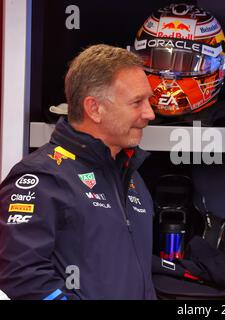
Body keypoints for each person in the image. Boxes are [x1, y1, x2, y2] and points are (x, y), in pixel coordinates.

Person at [0, 44, 157, 300]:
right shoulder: (41, 177)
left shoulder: (129, 175)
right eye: (137, 102)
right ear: (94, 108)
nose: (149, 113)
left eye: (148, 100)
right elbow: (20, 276)